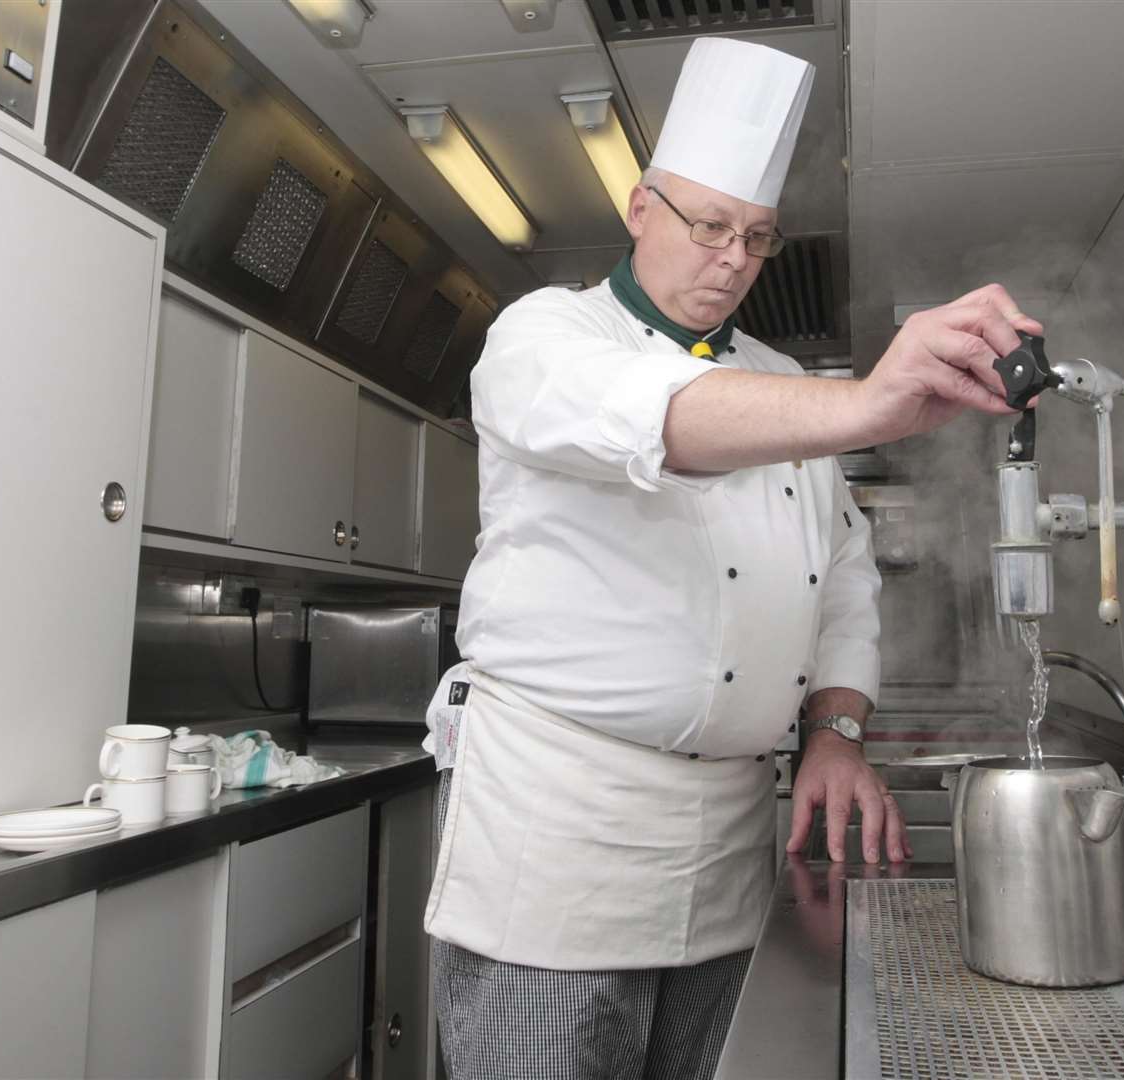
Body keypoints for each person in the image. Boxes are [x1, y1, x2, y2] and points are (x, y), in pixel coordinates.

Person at [422, 35, 1042, 1080]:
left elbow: (839, 572)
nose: (732, 261)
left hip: (725, 848)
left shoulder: (771, 374)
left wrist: (837, 730)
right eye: (709, 226)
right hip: (559, 839)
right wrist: (865, 404)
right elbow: (658, 419)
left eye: (757, 239)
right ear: (639, 207)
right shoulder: (545, 337)